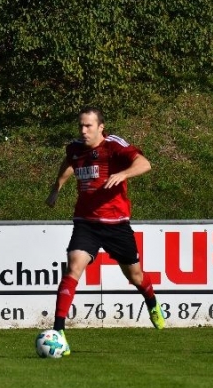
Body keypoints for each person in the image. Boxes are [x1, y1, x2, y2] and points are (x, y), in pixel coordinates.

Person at [45, 106, 165, 356]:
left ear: (101, 127)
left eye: (88, 125)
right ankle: (59, 332)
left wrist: (123, 174)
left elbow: (144, 164)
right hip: (86, 223)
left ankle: (152, 302)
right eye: (81, 125)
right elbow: (69, 163)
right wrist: (57, 187)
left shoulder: (113, 146)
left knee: (135, 277)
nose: (83, 130)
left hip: (116, 224)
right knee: (73, 267)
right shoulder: (75, 148)